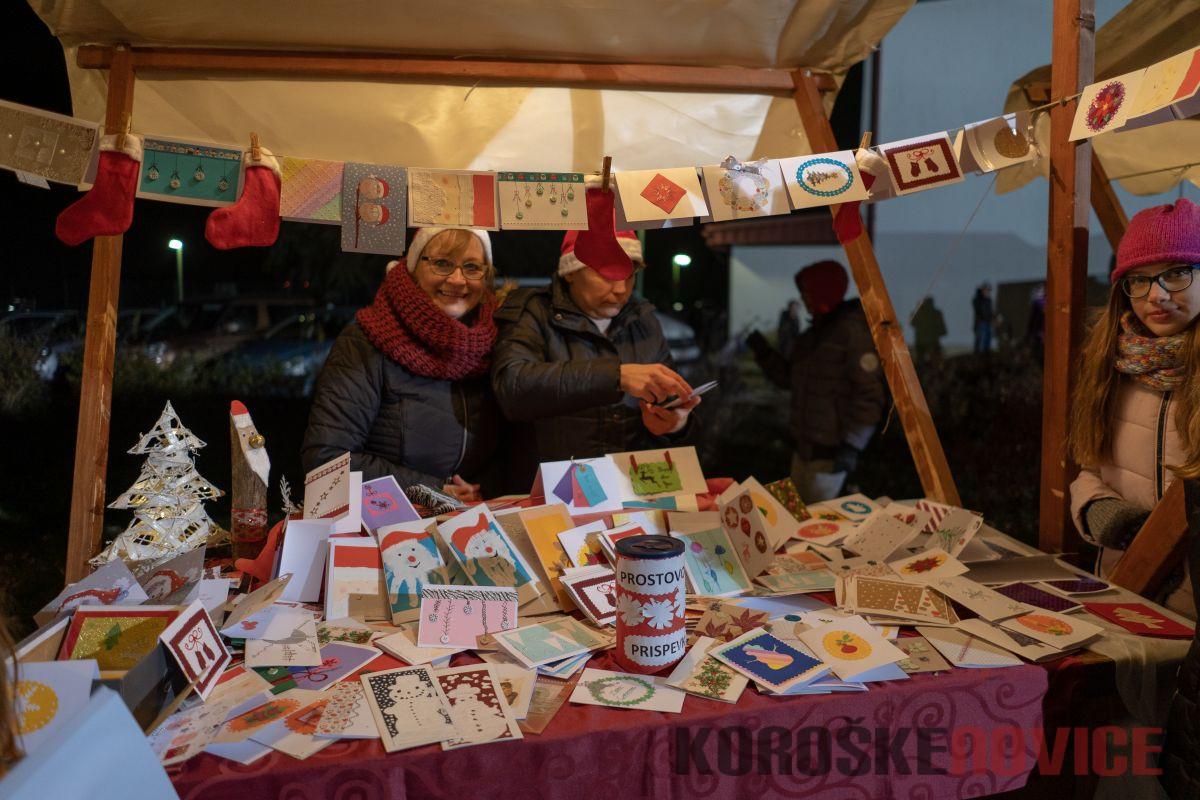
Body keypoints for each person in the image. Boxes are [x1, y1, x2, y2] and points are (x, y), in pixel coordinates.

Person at [492, 186, 698, 482]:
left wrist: (675, 424)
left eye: (629, 275)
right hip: (548, 494)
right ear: (570, 272)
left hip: (629, 489)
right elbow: (513, 388)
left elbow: (671, 407)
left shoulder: (645, 321)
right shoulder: (533, 312)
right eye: (605, 274)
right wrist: (616, 376)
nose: (620, 289)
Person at [1069, 198, 1200, 620]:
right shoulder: (1111, 365)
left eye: (1176, 273)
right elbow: (1090, 467)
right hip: (1127, 591)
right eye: (1138, 280)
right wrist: (1096, 509)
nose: (1155, 295)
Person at [302, 227, 501, 503]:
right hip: (387, 525)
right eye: (442, 263)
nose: (457, 280)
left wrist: (487, 487)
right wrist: (428, 490)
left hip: (474, 523)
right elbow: (327, 460)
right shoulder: (366, 342)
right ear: (413, 267)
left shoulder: (494, 341)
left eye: (472, 267)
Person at [747, 260, 886, 502]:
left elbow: (870, 395)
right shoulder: (813, 336)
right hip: (802, 450)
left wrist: (852, 446)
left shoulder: (852, 335)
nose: (803, 300)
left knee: (817, 526)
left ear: (825, 292)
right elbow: (791, 379)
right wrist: (764, 353)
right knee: (796, 519)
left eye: (807, 293)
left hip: (830, 455)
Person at [911, 295, 946, 363]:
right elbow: (912, 323)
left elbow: (912, 323)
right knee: (933, 360)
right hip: (928, 341)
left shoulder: (919, 313)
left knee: (923, 360)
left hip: (924, 341)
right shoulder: (936, 313)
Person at [972, 283, 994, 354]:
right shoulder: (978, 300)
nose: (987, 292)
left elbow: (990, 312)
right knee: (980, 343)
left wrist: (994, 318)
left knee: (987, 341)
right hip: (981, 324)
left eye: (988, 290)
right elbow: (981, 311)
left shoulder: (988, 300)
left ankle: (986, 354)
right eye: (986, 290)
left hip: (987, 324)